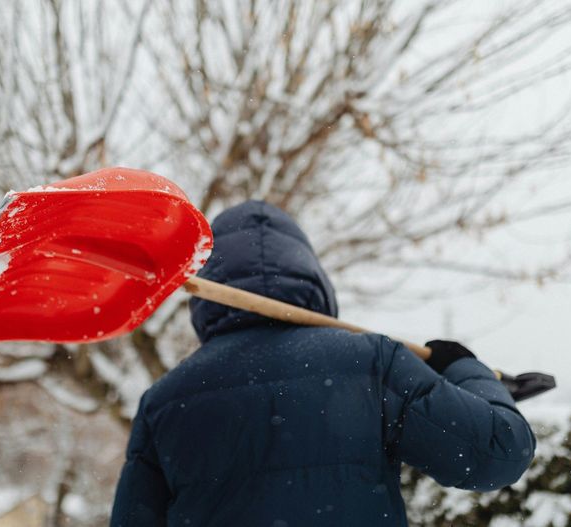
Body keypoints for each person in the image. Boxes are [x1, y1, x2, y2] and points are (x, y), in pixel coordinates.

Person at [110, 200, 536, 526]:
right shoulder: (371, 362)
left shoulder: (164, 402)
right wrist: (462, 366)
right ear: (310, 274)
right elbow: (498, 452)